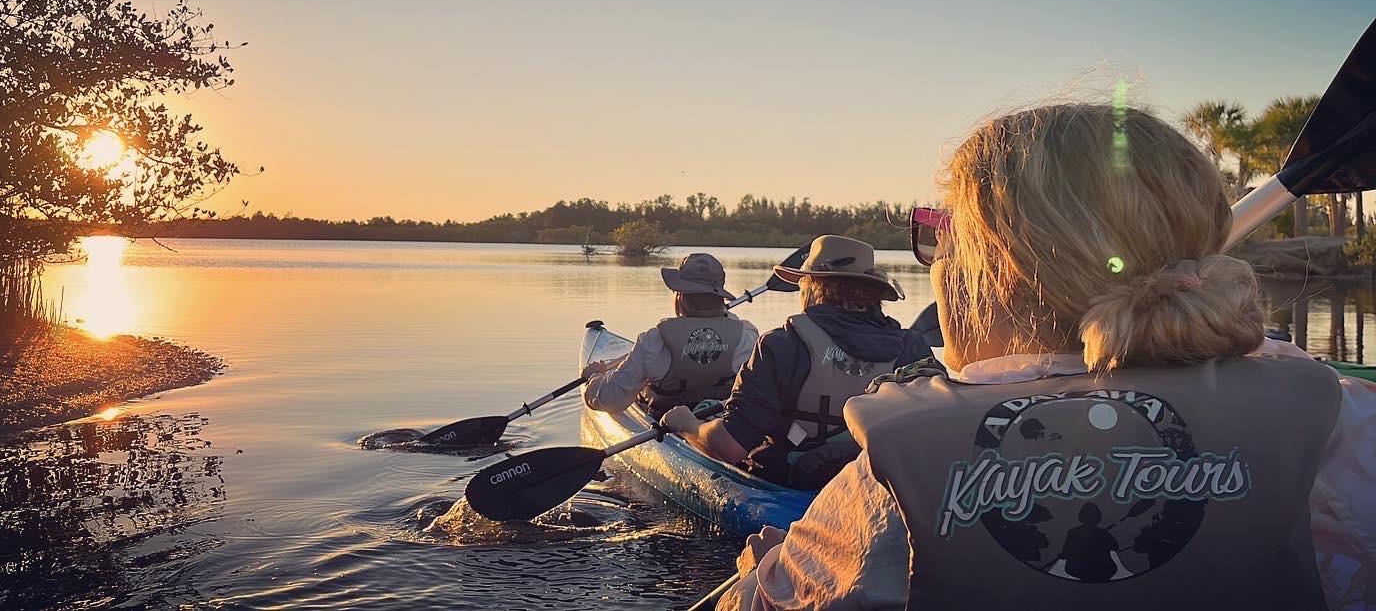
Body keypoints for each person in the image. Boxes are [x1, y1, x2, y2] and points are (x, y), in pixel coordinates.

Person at [716, 103, 1376, 610]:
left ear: (991, 272)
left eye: (944, 241)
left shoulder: (886, 479)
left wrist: (766, 571)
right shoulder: (1338, 420)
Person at [663, 235, 930, 490]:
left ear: (813, 287)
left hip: (790, 485)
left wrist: (687, 424)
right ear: (874, 293)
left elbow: (730, 447)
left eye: (801, 284)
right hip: (872, 487)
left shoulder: (782, 345)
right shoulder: (912, 347)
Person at [582, 252, 758, 416]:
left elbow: (610, 399)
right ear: (720, 295)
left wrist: (594, 376)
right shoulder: (746, 336)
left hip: (667, 423)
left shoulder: (653, 341)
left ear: (680, 295)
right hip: (720, 423)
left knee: (644, 391)